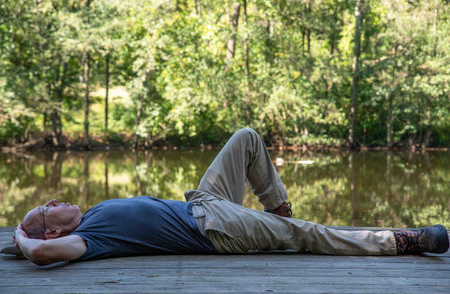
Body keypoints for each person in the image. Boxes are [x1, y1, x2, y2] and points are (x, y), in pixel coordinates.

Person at [13, 128, 449, 266]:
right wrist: (21, 239)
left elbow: (43, 243)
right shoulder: (89, 239)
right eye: (45, 209)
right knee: (310, 234)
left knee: (246, 138)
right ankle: (404, 240)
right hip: (214, 228)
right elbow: (43, 257)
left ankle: (279, 215)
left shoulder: (93, 214)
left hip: (202, 203)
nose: (53, 200)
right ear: (50, 230)